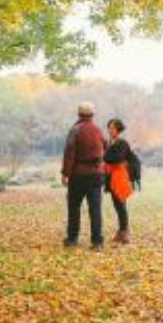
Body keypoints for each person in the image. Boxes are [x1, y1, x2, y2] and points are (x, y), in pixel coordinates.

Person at [61, 102, 106, 250]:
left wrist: (65, 173)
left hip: (79, 174)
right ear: (92, 115)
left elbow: (69, 153)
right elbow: (105, 148)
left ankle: (73, 239)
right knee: (95, 209)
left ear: (79, 114)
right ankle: (97, 242)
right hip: (96, 174)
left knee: (74, 206)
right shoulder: (99, 130)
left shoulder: (75, 130)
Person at [103, 118, 133, 244]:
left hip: (119, 176)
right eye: (109, 128)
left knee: (121, 204)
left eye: (113, 128)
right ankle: (121, 231)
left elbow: (117, 158)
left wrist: (104, 156)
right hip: (111, 176)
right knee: (117, 204)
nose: (110, 130)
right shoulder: (110, 142)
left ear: (118, 129)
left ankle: (125, 232)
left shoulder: (122, 143)